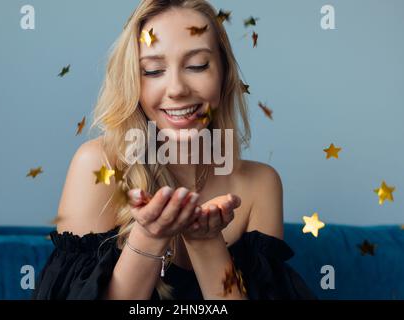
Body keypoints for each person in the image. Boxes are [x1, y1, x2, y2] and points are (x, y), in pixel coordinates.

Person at [33, 0, 315, 300]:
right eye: (153, 70)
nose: (177, 88)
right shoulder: (97, 165)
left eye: (196, 66)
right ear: (133, 82)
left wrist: (206, 242)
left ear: (224, 73)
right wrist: (149, 236)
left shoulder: (260, 184)